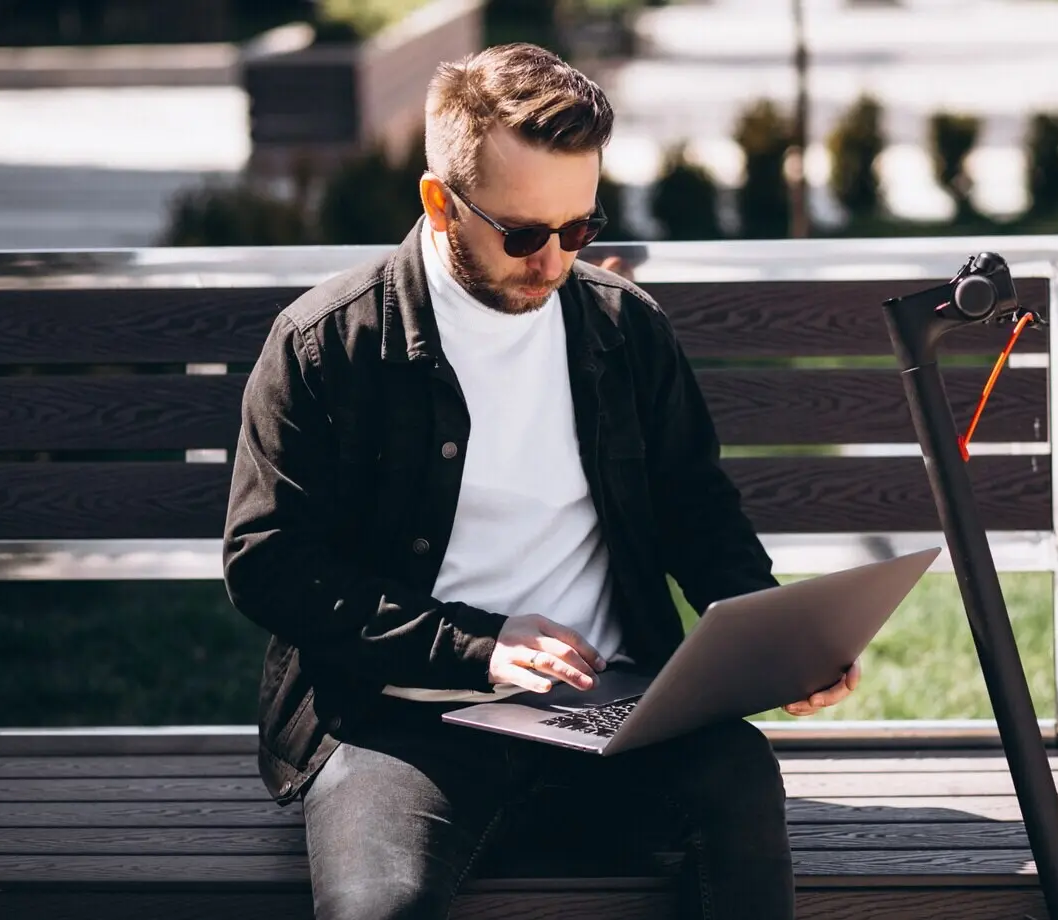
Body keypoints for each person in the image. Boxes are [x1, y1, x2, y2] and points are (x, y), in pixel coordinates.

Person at [222, 42, 861, 920]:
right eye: (523, 233)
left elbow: (695, 510)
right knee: (381, 909)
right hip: (403, 722)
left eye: (581, 227)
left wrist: (771, 645)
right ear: (440, 202)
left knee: (741, 788)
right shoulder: (327, 343)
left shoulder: (622, 330)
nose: (556, 260)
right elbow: (270, 564)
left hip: (618, 713)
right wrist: (479, 649)